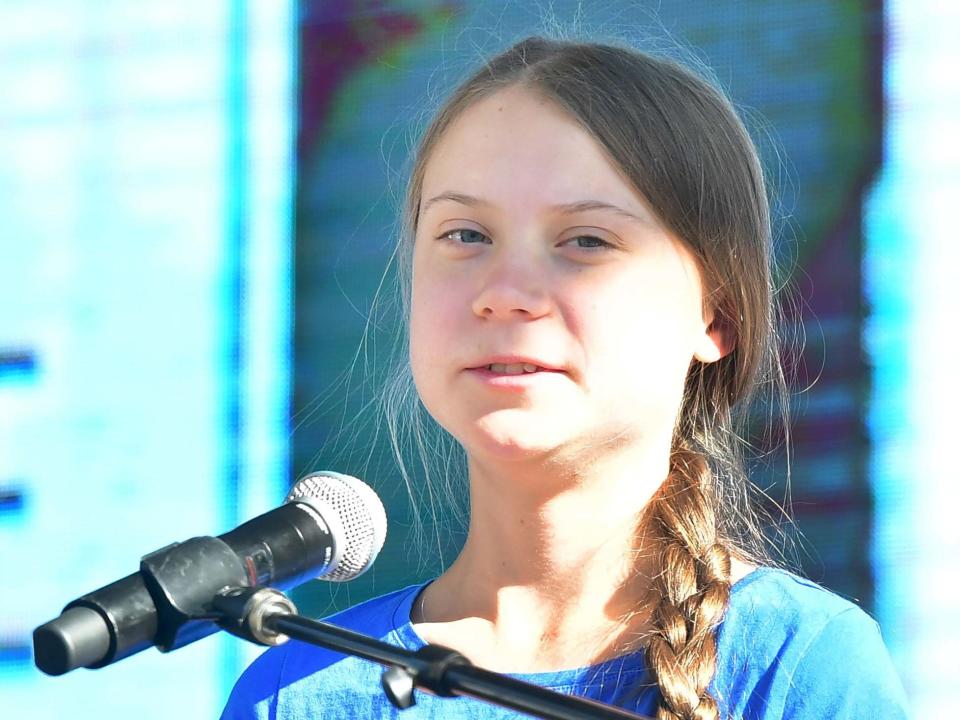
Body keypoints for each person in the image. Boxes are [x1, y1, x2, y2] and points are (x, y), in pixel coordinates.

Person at [221, 36, 909, 719]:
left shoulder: (799, 667)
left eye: (585, 240)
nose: (505, 293)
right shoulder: (295, 691)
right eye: (465, 234)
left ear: (716, 314)